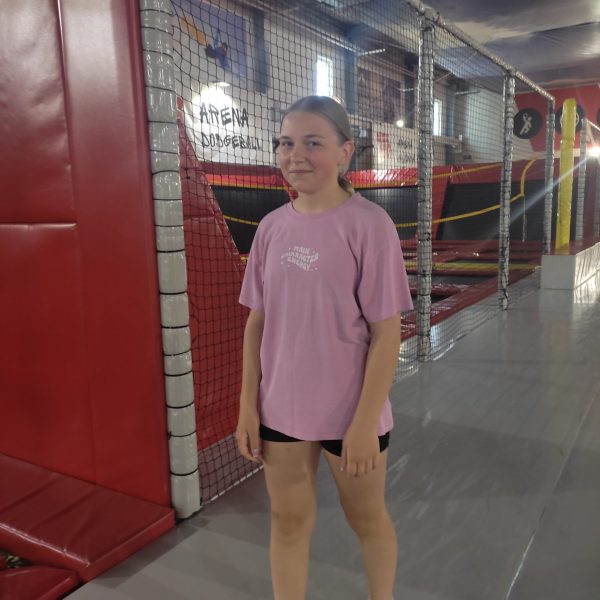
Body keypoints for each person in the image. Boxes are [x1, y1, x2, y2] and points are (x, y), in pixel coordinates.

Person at [236, 95, 413, 600]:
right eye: (286, 143)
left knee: (367, 520)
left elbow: (387, 333)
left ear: (344, 152)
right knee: (288, 521)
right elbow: (256, 323)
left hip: (350, 414)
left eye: (313, 143)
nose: (296, 155)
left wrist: (363, 423)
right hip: (282, 410)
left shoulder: (369, 226)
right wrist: (248, 405)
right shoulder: (271, 228)